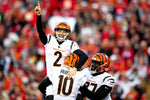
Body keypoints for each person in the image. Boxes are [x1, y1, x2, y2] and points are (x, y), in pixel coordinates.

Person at [34, 1, 88, 98]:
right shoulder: (50, 40)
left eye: (64, 32)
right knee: (47, 94)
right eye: (60, 31)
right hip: (51, 76)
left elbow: (84, 56)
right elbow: (40, 31)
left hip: (63, 77)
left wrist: (75, 68)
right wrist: (38, 15)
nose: (62, 33)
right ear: (55, 31)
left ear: (68, 33)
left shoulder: (70, 44)